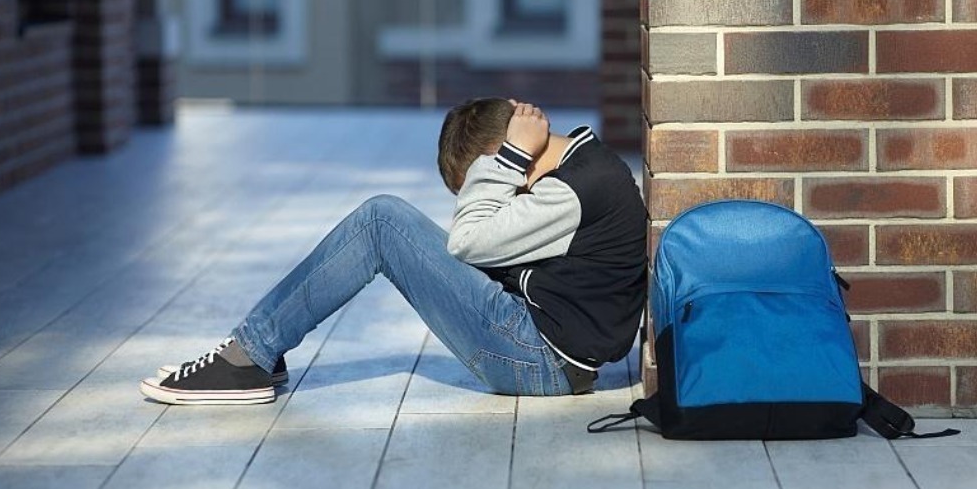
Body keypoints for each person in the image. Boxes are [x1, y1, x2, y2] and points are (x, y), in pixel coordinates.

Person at [140, 98, 647, 405]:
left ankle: (248, 356)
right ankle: (259, 351)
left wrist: (510, 156)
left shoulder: (570, 191)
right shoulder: (584, 170)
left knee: (382, 220)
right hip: (547, 349)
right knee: (389, 221)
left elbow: (467, 241)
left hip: (540, 360)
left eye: (489, 180)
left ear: (509, 159)